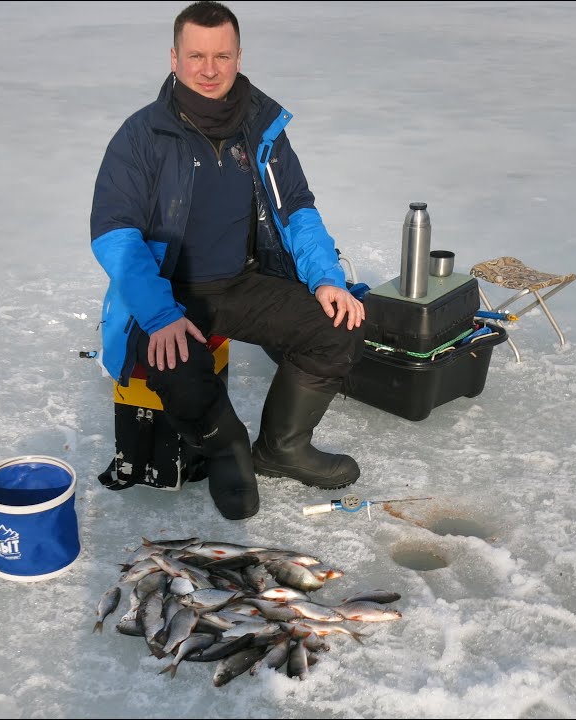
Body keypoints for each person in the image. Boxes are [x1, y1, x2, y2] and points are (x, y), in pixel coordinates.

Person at [89, 0, 365, 521]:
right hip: (170, 292)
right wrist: (159, 315)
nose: (209, 69)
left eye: (222, 55)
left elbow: (298, 210)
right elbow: (114, 235)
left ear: (239, 57)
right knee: (176, 363)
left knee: (337, 326)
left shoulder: (261, 128)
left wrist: (326, 278)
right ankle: (228, 446)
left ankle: (282, 447)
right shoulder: (142, 136)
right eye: (196, 56)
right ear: (174, 58)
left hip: (243, 282)